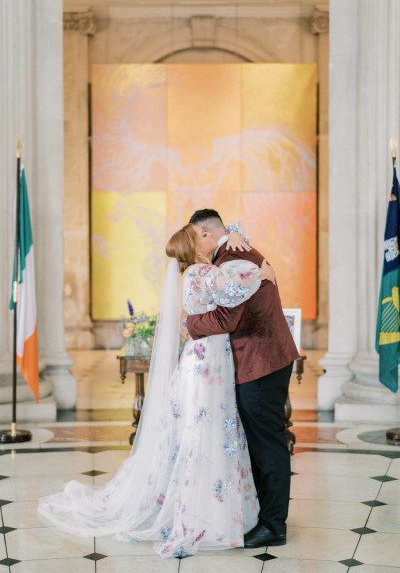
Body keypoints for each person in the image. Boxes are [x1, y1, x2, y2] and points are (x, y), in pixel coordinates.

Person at [38, 224, 274, 558]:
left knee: (204, 429)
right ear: (194, 245)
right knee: (204, 432)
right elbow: (233, 290)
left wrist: (233, 233)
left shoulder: (189, 273)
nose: (210, 241)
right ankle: (204, 514)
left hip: (203, 359)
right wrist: (262, 274)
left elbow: (221, 264)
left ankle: (213, 507)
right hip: (207, 365)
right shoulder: (202, 271)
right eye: (203, 237)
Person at [185, 209, 300, 548]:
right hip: (262, 359)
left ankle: (273, 525)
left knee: (268, 443)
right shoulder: (233, 249)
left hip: (261, 361)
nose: (195, 245)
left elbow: (226, 318)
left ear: (206, 234)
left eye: (195, 237)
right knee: (261, 441)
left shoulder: (232, 258)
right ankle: (266, 515)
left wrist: (189, 324)